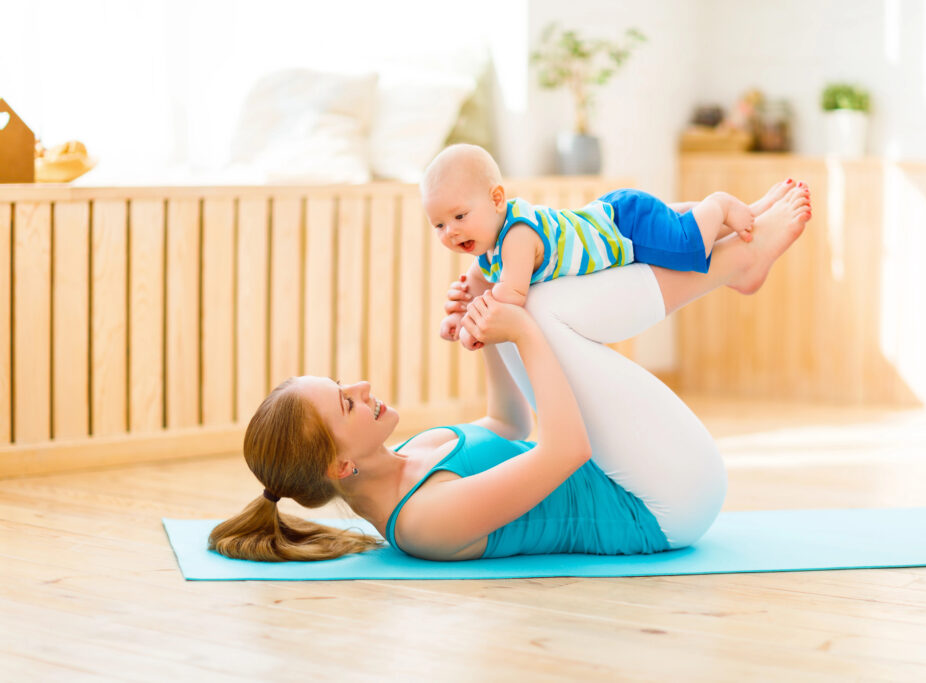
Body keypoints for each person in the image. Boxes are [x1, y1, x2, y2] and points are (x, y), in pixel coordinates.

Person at [208, 180, 812, 562]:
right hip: (663, 504)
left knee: (531, 301)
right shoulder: (421, 523)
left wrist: (483, 318)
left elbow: (507, 420)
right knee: (538, 310)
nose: (360, 387)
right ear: (341, 466)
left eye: (342, 384)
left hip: (631, 470)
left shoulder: (416, 451)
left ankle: (728, 253)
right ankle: (737, 261)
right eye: (345, 402)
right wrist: (514, 323)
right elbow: (564, 450)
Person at [422, 144, 811, 350]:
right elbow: (477, 285)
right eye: (439, 225)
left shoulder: (518, 236)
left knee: (688, 246)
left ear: (496, 199)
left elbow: (509, 297)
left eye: (459, 216)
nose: (450, 232)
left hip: (624, 224)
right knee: (674, 227)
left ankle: (721, 204)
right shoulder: (487, 251)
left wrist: (475, 319)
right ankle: (751, 216)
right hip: (610, 216)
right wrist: (458, 317)